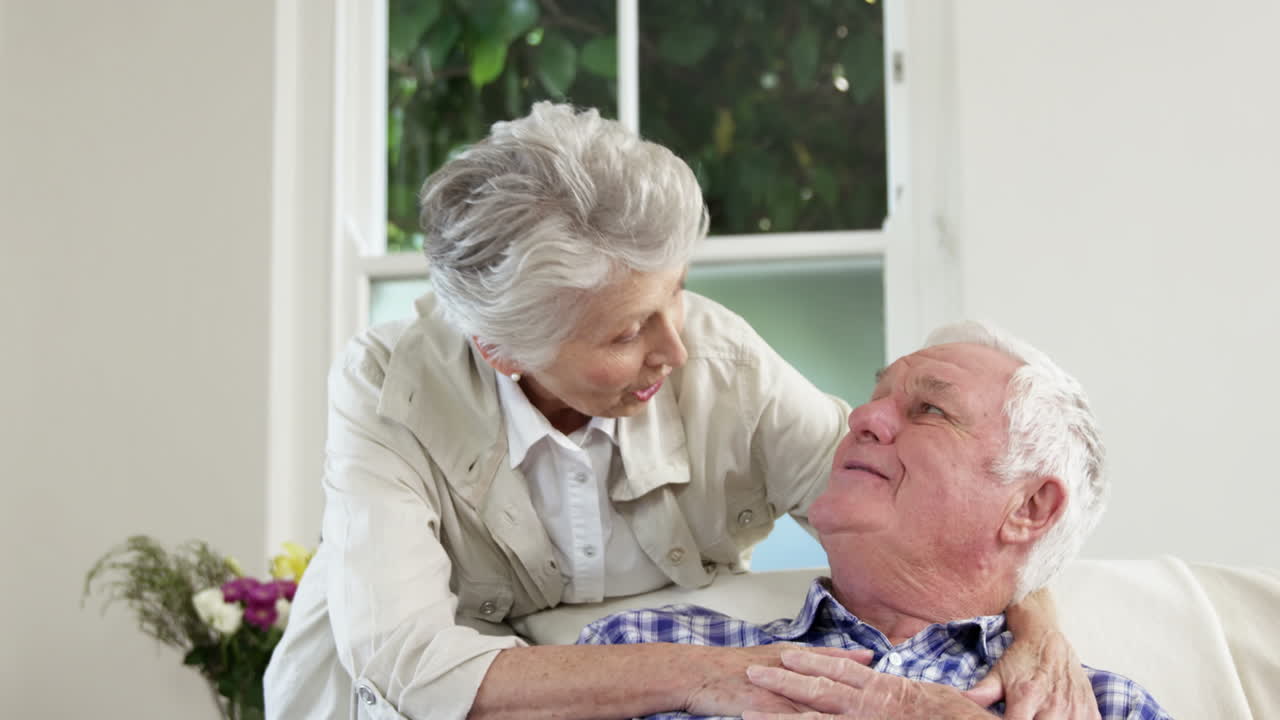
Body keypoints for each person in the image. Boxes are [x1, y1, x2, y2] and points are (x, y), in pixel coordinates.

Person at [265, 103, 1094, 719]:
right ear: (503, 351)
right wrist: (712, 675)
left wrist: (1038, 624)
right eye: (628, 332)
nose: (677, 348)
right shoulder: (388, 389)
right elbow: (409, 660)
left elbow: (935, 522)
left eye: (678, 294)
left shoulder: (723, 363)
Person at [579, 322, 1171, 719]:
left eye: (930, 409)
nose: (863, 416)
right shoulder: (644, 650)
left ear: (1029, 508)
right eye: (877, 396)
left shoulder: (1101, 708)